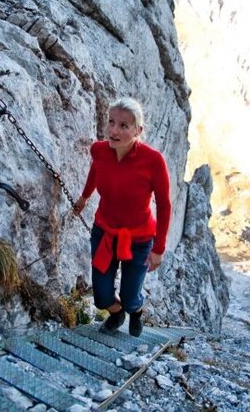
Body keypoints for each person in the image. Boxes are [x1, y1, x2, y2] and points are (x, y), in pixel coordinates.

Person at [72, 98, 171, 337]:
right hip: (104, 231)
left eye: (124, 125)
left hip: (139, 239)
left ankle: (134, 311)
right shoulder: (99, 150)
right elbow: (96, 170)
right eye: (111, 122)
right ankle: (116, 314)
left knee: (130, 296)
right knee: (102, 296)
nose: (114, 130)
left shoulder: (153, 161)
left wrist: (158, 248)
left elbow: (165, 204)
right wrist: (85, 197)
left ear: (138, 130)